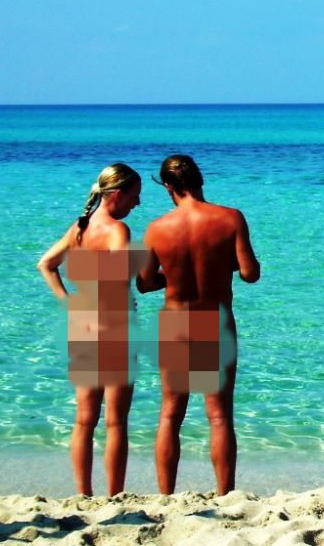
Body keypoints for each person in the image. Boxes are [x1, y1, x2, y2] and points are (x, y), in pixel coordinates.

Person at [137, 154, 260, 495]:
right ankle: (225, 496)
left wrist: (173, 275)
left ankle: (166, 497)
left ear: (169, 188)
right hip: (214, 320)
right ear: (200, 180)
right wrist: (221, 267)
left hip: (176, 322)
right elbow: (250, 273)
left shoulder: (157, 228)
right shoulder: (230, 218)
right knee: (218, 415)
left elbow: (144, 283)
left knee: (170, 415)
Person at [37, 163, 142, 496]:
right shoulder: (117, 230)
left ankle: (83, 494)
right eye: (135, 196)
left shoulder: (79, 228)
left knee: (84, 419)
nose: (136, 204)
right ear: (118, 194)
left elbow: (46, 264)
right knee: (115, 421)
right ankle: (115, 495)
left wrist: (70, 304)